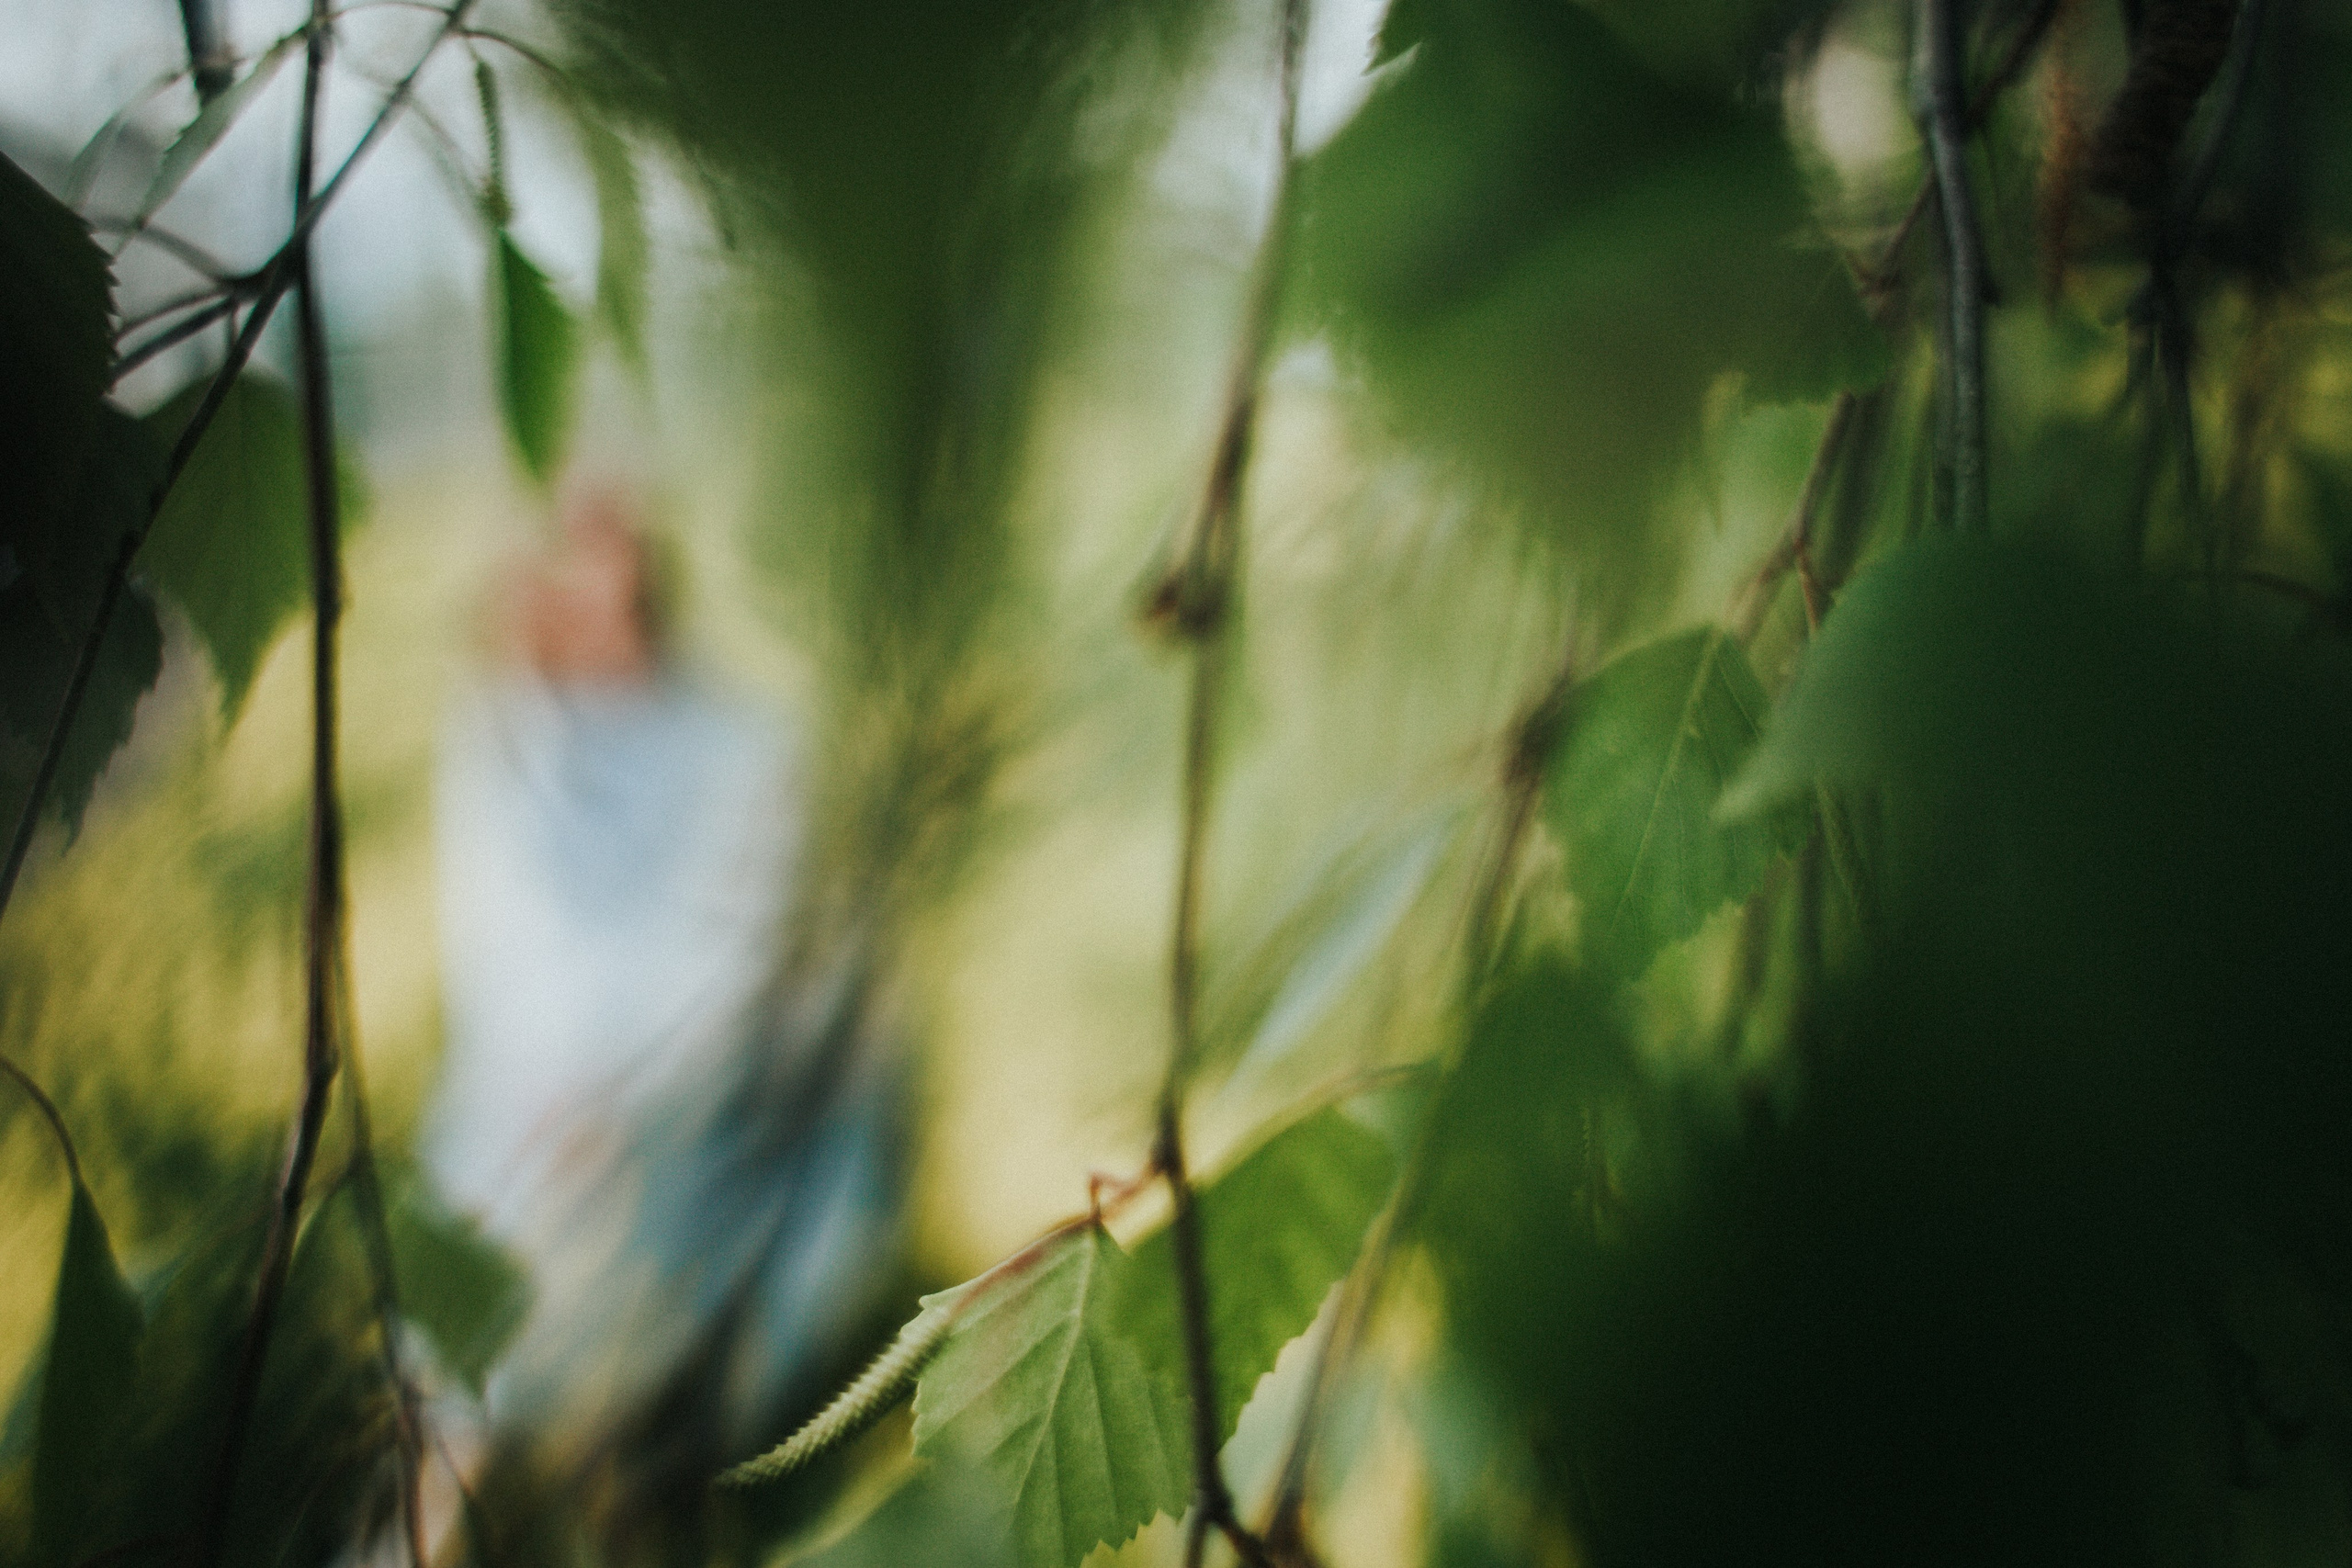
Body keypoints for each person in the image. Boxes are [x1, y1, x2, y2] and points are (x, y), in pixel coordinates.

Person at [424, 490, 903, 1533]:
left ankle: (656, 1471)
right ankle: (447, 1496)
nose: (565, 590)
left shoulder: (739, 743)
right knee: (477, 1265)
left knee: (636, 1232)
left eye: (598, 559)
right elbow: (488, 933)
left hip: (684, 1091)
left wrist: (620, 1091)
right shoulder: (505, 730)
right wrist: (550, 1079)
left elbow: (730, 952)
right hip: (529, 1085)